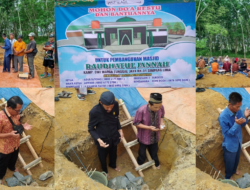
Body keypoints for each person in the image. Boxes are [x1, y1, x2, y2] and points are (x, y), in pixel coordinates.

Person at [88, 91, 124, 177]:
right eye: (107, 107)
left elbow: (116, 118)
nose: (110, 109)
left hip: (114, 135)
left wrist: (120, 130)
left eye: (111, 107)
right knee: (102, 156)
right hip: (103, 138)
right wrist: (99, 140)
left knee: (113, 152)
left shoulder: (115, 104)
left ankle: (113, 165)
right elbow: (91, 129)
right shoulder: (94, 112)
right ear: (101, 102)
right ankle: (105, 171)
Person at [0, 96, 32, 185]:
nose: (19, 112)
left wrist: (22, 126)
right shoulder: (1, 118)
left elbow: (16, 124)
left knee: (14, 157)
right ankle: (0, 176)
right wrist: (9, 134)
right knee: (2, 163)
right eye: (17, 110)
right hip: (5, 147)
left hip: (15, 143)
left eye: (20, 110)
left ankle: (12, 167)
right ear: (9, 107)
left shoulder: (16, 114)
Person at [219, 92, 250, 180]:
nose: (239, 108)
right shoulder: (223, 117)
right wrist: (236, 124)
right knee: (229, 162)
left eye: (240, 106)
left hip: (238, 142)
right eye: (237, 106)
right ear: (230, 104)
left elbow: (243, 124)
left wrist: (246, 117)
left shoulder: (238, 111)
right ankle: (228, 176)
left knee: (236, 160)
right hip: (230, 145)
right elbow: (227, 134)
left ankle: (234, 170)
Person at [133, 93, 165, 169]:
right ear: (149, 104)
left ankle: (156, 163)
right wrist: (149, 127)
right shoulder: (141, 110)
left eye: (159, 107)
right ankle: (140, 162)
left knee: (154, 151)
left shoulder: (161, 107)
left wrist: (161, 123)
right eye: (155, 107)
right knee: (142, 151)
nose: (158, 109)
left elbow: (162, 116)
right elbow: (136, 123)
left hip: (155, 135)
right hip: (144, 136)